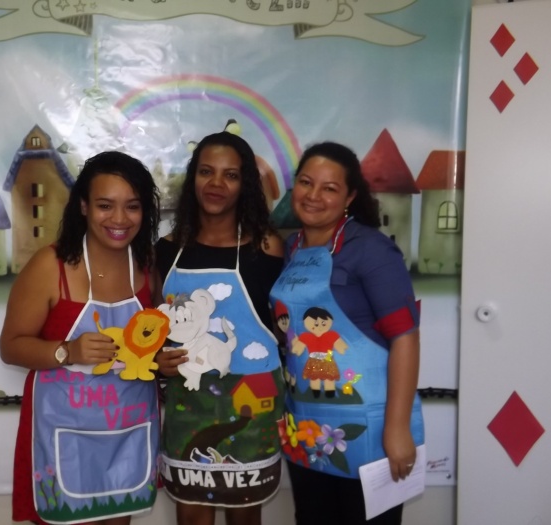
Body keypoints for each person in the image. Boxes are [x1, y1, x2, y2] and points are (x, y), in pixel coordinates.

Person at [0, 151, 163, 525]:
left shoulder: (146, 264)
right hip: (63, 433)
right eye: (105, 205)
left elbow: (150, 342)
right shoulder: (50, 265)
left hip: (128, 432)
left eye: (132, 206)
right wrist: (67, 351)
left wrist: (161, 361)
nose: (119, 219)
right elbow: (11, 346)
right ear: (84, 206)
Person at [269, 142, 425, 524]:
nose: (314, 195)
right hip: (306, 427)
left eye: (330, 188)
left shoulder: (371, 250)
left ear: (350, 197)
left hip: (371, 428)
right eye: (306, 183)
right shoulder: (292, 248)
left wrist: (397, 428)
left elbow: (405, 337)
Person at [154, 131, 285, 525]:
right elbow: (152, 327)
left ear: (246, 185)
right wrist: (157, 358)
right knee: (192, 513)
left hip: (250, 401)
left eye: (231, 175)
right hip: (188, 401)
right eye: (206, 171)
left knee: (244, 512)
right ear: (192, 178)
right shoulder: (165, 250)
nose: (216, 183)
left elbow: (284, 323)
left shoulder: (267, 248)